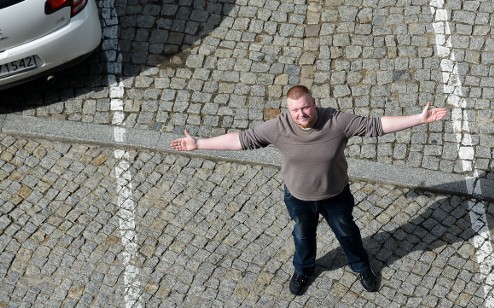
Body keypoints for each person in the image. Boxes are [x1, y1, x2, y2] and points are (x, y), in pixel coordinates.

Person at [170, 85, 448, 296]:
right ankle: (303, 271)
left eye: (305, 107)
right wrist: (199, 143)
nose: (301, 114)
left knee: (347, 233)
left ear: (314, 103)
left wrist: (418, 119)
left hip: (335, 196)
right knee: (303, 236)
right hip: (299, 198)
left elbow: (376, 125)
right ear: (288, 111)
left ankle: (362, 267)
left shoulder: (336, 122)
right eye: (295, 110)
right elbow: (241, 140)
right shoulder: (278, 128)